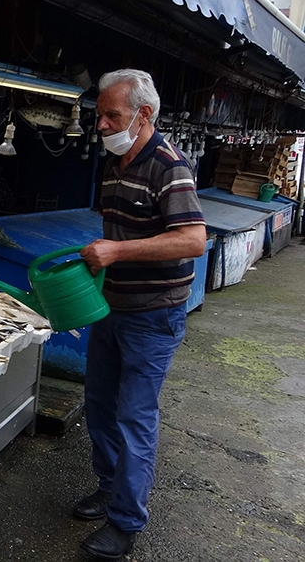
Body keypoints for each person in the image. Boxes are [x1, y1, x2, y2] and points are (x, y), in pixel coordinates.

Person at [74, 69, 206, 560]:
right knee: (99, 404)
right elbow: (122, 233)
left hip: (153, 317)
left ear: (143, 114)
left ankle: (126, 522)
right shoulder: (114, 164)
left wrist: (117, 252)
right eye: (100, 116)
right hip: (111, 307)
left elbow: (193, 240)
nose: (102, 125)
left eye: (112, 115)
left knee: (134, 416)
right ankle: (109, 487)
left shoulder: (170, 166)